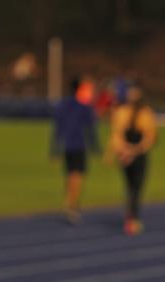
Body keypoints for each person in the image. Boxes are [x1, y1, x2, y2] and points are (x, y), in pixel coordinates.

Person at [106, 83, 158, 235]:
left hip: (134, 153)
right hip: (131, 154)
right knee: (133, 187)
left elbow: (150, 136)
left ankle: (132, 216)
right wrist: (125, 151)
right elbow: (117, 133)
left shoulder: (142, 113)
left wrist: (129, 151)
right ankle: (133, 218)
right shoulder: (126, 112)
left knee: (134, 187)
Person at [51, 77, 99, 224]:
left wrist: (54, 150)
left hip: (66, 146)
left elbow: (57, 129)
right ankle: (72, 204)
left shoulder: (62, 105)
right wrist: (95, 147)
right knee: (77, 176)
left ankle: (69, 200)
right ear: (79, 89)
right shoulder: (84, 107)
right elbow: (90, 130)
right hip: (79, 145)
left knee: (70, 175)